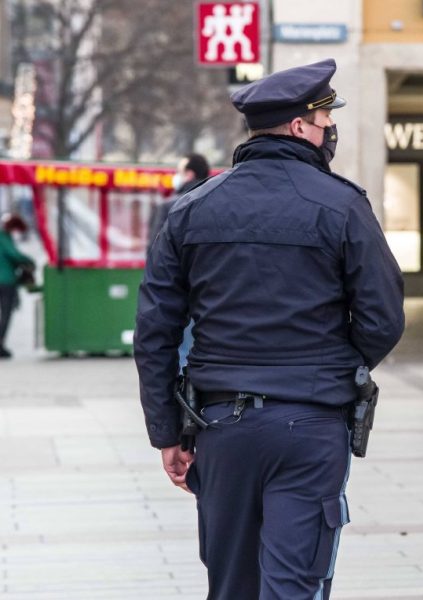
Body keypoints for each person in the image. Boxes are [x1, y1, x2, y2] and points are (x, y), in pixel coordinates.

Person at [134, 58, 405, 599]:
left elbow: (155, 330)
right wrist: (332, 367)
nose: (331, 130)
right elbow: (384, 316)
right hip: (311, 426)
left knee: (231, 584)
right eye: (326, 119)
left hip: (220, 428)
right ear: (301, 126)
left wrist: (166, 431)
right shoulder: (342, 205)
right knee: (295, 585)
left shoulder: (192, 210)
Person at [147, 153, 211, 368]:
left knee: (181, 350)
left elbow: (156, 255)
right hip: (212, 293)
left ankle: (184, 397)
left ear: (189, 174)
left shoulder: (170, 206)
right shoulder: (219, 201)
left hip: (180, 291)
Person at [147, 153, 210, 249]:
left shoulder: (168, 206)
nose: (176, 176)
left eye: (179, 172)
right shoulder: (217, 203)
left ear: (189, 175)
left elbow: (155, 250)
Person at [0, 213, 35, 359]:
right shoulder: (3, 237)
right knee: (6, 314)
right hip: (5, 281)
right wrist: (30, 261)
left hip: (5, 280)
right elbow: (14, 255)